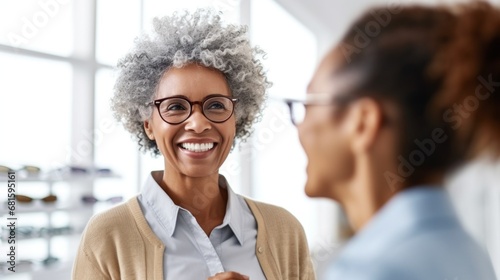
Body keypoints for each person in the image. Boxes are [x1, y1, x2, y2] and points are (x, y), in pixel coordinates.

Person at [72, 9, 315, 280]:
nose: (198, 124)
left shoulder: (285, 230)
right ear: (148, 124)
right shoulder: (107, 236)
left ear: (237, 119)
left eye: (215, 105)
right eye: (175, 106)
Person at [285, 1, 499, 279]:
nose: (301, 126)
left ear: (363, 123)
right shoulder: (471, 255)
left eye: (309, 104)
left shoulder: (366, 270)